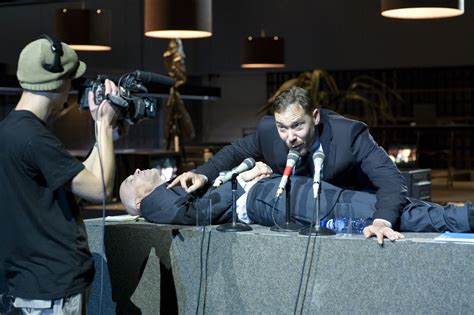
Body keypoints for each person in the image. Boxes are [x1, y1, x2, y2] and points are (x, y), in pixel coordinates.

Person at [168, 86, 407, 244]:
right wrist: (201, 174)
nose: (289, 137)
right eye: (282, 127)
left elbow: (391, 179)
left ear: (315, 117)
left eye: (297, 126)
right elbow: (234, 152)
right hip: (303, 222)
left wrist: (381, 221)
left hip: (354, 211)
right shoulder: (268, 132)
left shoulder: (349, 134)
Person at [0, 35, 119, 314]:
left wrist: (103, 132)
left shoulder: (12, 131)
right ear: (59, 83)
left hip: (25, 284)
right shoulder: (34, 139)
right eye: (71, 80)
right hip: (50, 287)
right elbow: (99, 189)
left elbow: (82, 177)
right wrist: (103, 125)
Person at [119, 166, 474, 234]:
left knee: (364, 204)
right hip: (268, 200)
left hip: (272, 196)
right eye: (132, 178)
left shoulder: (166, 196)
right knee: (363, 208)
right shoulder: (153, 204)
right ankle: (464, 218)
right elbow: (205, 207)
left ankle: (462, 217)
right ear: (138, 200)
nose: (137, 170)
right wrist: (241, 180)